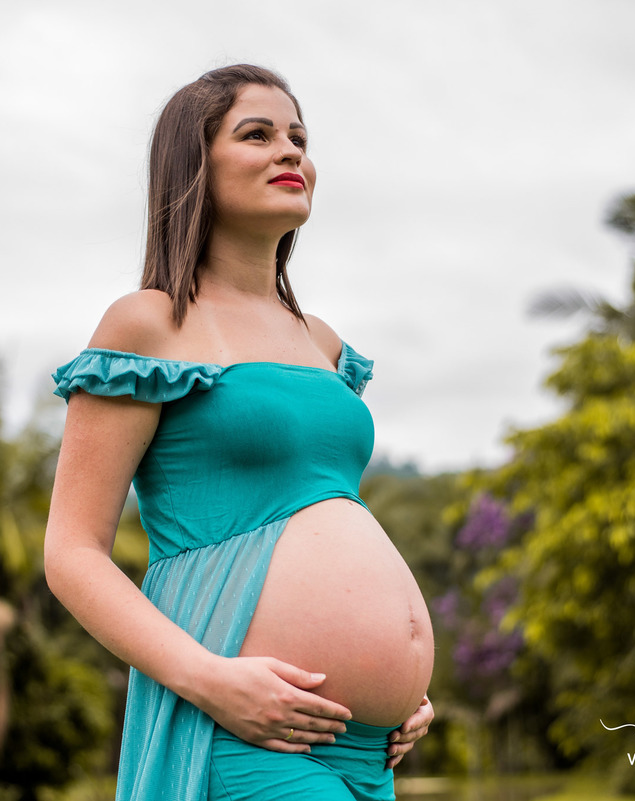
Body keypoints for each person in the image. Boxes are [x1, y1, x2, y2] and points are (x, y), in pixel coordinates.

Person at [45, 64, 435, 801]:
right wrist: (213, 680)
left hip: (370, 748)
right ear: (194, 165)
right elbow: (71, 551)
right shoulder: (149, 323)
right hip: (248, 730)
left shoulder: (322, 342)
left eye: (299, 137)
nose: (291, 152)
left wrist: (402, 684)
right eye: (257, 135)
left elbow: (326, 513)